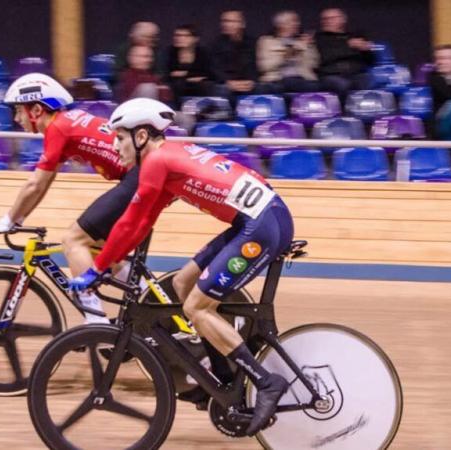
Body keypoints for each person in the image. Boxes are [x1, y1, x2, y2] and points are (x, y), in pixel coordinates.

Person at [69, 98, 294, 435]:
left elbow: (129, 222)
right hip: (259, 219)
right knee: (183, 284)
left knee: (196, 307)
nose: (114, 145)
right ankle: (223, 379)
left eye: (119, 136)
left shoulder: (158, 160)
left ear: (142, 136)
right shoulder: (167, 158)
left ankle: (266, 382)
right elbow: (142, 222)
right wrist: (106, 263)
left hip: (261, 226)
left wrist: (95, 269)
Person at [0, 73, 140, 324]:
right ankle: (147, 298)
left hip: (138, 177)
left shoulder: (58, 127)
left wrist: (7, 219)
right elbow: (44, 183)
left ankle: (95, 321)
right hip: (138, 177)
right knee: (103, 252)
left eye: (18, 111)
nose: (16, 119)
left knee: (72, 240)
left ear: (36, 109)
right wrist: (19, 217)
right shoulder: (66, 123)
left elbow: (35, 183)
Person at [315, 8, 374, 99]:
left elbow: (370, 61)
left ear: (343, 19)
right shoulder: (318, 38)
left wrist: (365, 50)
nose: (327, 21)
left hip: (356, 73)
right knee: (342, 84)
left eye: (332, 18)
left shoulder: (355, 36)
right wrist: (349, 47)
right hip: (331, 75)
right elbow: (326, 57)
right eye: (325, 19)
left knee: (370, 82)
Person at [257, 10, 319, 94]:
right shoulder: (267, 41)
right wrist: (287, 55)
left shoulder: (302, 41)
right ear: (280, 25)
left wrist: (309, 47)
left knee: (314, 87)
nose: (297, 24)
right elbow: (264, 67)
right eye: (293, 21)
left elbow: (314, 64)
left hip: (302, 78)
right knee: (265, 89)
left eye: (297, 21)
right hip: (276, 80)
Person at [211, 10, 258, 103]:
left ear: (242, 24)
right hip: (226, 83)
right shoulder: (215, 44)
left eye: (231, 21)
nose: (226, 24)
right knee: (221, 90)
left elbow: (255, 64)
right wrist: (229, 82)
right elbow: (214, 68)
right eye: (224, 21)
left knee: (265, 88)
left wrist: (251, 81)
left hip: (247, 82)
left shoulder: (252, 43)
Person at [163, 24, 213, 106]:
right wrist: (191, 76)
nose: (179, 38)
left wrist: (184, 74)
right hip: (176, 86)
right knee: (177, 84)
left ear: (195, 39)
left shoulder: (203, 52)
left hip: (199, 86)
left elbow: (209, 73)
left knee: (206, 85)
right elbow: (166, 74)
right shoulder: (170, 52)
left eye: (185, 36)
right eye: (177, 35)